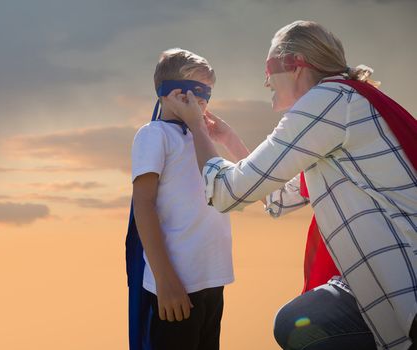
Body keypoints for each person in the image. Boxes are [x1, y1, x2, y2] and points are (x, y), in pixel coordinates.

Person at [161, 20, 417, 350]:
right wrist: (228, 139)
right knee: (297, 319)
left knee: (303, 325)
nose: (266, 80)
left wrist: (195, 126)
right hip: (384, 281)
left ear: (295, 65)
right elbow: (279, 200)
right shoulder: (342, 105)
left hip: (407, 283)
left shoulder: (326, 101)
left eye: (270, 68)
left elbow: (227, 192)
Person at [128, 48, 241, 350]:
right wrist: (165, 281)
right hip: (177, 284)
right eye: (192, 92)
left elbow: (234, 183)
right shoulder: (154, 135)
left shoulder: (199, 139)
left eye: (206, 94)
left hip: (211, 279)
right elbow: (143, 205)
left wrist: (223, 136)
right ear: (167, 93)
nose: (201, 101)